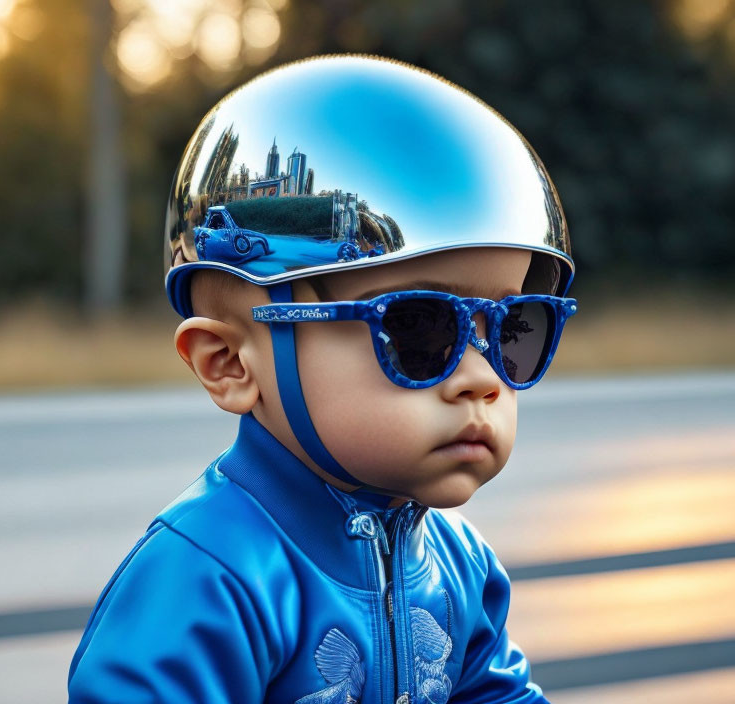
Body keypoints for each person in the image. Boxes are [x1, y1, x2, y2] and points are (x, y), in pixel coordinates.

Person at [68, 55, 577, 704]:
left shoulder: (459, 566)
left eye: (513, 329)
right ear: (230, 364)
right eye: (420, 330)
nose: (481, 379)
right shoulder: (211, 575)